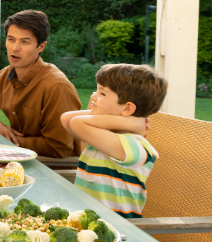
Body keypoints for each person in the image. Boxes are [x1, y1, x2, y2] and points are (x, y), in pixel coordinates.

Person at [61, 64, 167, 218]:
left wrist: (133, 123)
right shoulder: (104, 135)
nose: (93, 96)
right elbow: (66, 119)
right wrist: (133, 122)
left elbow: (76, 123)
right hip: (87, 223)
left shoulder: (133, 146)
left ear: (127, 109)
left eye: (102, 93)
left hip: (117, 229)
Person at [0, 10, 83, 158]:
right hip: (19, 158)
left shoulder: (56, 87)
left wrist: (12, 140)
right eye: (11, 39)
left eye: (24, 42)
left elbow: (59, 148)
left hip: (56, 168)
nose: (15, 48)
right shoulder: (5, 75)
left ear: (40, 47)